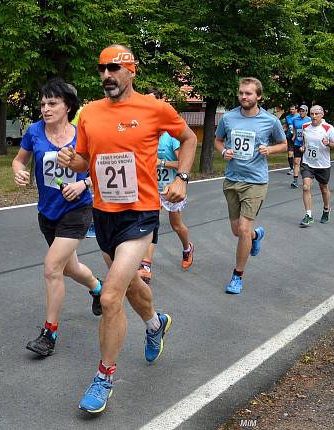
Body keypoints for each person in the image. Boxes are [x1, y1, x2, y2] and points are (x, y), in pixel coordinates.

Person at [57, 44, 197, 414]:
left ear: (131, 71)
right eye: (102, 69)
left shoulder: (154, 108)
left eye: (114, 68)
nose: (107, 75)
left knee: (110, 296)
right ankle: (155, 324)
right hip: (104, 215)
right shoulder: (88, 113)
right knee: (132, 285)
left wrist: (182, 177)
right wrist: (74, 161)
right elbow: (87, 161)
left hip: (140, 214)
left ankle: (103, 377)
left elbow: (189, 138)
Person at [12, 79, 103, 357]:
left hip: (77, 209)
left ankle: (48, 335)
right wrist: (18, 171)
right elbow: (19, 159)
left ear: (68, 107)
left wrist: (83, 184)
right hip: (47, 210)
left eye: (52, 103)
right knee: (69, 268)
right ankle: (98, 288)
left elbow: (100, 169)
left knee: (52, 267)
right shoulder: (34, 132)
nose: (45, 108)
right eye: (42, 103)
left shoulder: (82, 135)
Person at [214, 77, 287, 294]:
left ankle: (237, 276)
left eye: (248, 93)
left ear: (258, 96)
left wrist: (269, 150)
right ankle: (257, 235)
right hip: (232, 179)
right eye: (241, 93)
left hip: (256, 180)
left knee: (244, 229)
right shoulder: (228, 118)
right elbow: (218, 141)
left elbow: (283, 144)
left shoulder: (270, 120)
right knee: (238, 231)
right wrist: (223, 151)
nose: (244, 97)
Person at [137, 88, 194, 282]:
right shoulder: (143, 131)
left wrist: (159, 163)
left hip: (171, 187)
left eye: (155, 101)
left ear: (163, 102)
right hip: (150, 188)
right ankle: (146, 266)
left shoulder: (172, 136)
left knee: (176, 225)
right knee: (150, 224)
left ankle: (187, 248)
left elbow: (181, 162)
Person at [299, 105, 334, 226]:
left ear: (322, 115)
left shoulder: (328, 128)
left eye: (316, 114)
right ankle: (308, 215)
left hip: (322, 164)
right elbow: (305, 141)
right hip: (308, 162)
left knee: (323, 188)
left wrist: (328, 144)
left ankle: (326, 209)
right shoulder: (305, 126)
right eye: (312, 114)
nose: (314, 116)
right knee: (306, 187)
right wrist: (303, 147)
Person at [290, 105, 311, 188]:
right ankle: (295, 181)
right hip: (297, 143)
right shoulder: (295, 119)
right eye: (300, 111)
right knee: (296, 161)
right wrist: (294, 136)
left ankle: (307, 179)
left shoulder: (309, 120)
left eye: (303, 111)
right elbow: (295, 128)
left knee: (306, 163)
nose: (301, 112)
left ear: (306, 112)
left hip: (307, 144)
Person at [285, 104, 298, 175]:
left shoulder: (299, 116)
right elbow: (286, 126)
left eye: (293, 109)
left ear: (296, 110)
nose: (291, 110)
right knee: (290, 153)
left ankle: (300, 166)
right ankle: (291, 168)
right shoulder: (288, 117)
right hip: (289, 136)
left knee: (298, 153)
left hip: (298, 138)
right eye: (290, 109)